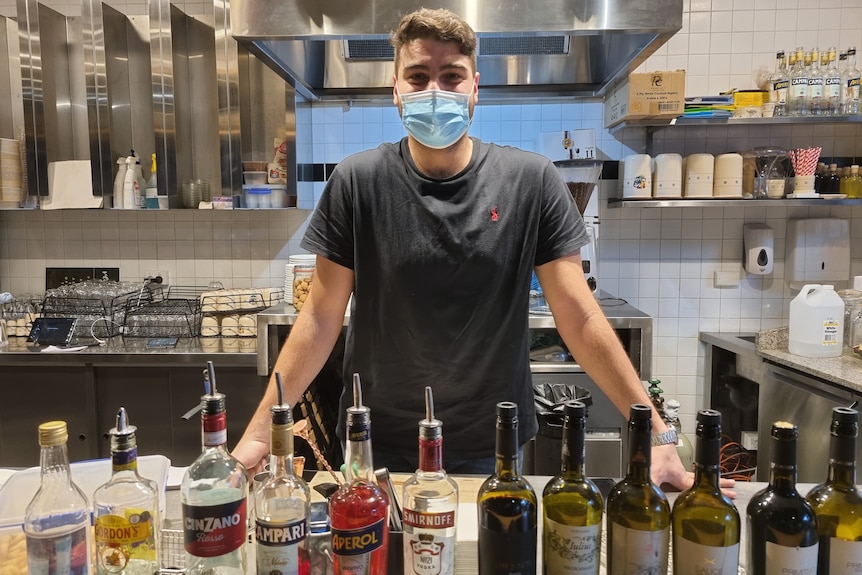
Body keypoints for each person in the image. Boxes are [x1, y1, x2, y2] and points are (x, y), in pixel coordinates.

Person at [233, 7, 723, 494]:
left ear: (474, 89)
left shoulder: (531, 181)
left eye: (451, 77)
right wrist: (258, 433)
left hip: (493, 443)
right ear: (396, 91)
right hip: (375, 444)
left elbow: (580, 315)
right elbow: (319, 318)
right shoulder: (357, 182)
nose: (435, 91)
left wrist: (659, 433)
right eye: (419, 76)